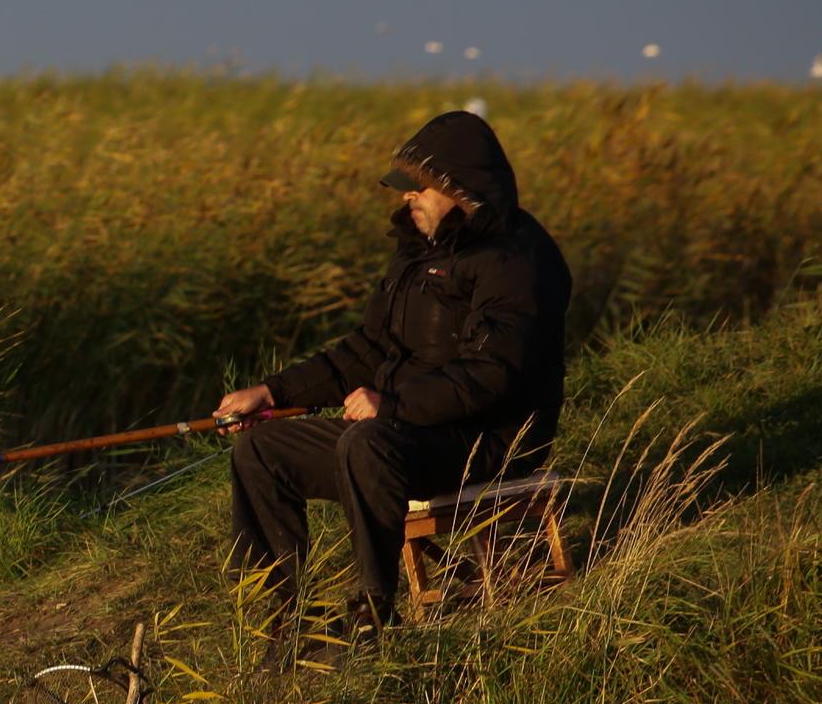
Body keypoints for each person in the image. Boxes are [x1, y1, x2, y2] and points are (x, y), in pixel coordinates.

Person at [214, 109, 571, 631]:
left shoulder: (517, 260)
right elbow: (368, 348)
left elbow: (494, 373)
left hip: (487, 441)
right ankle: (284, 619)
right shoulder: (417, 250)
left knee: (367, 443)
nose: (407, 198)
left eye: (418, 188)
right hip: (406, 432)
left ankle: (373, 614)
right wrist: (271, 392)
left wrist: (393, 405)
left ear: (460, 188)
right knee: (261, 450)